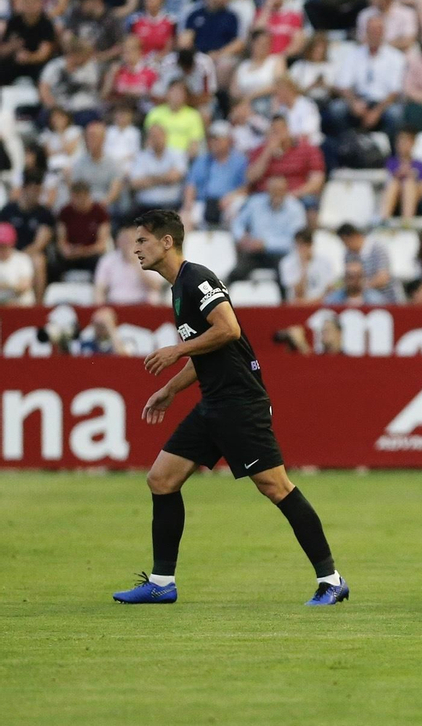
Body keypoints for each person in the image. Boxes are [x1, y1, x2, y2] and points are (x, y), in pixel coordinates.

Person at [112, 209, 347, 607]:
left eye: (142, 241)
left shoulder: (197, 277)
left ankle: (331, 579)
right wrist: (170, 389)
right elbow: (209, 351)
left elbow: (229, 329)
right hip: (214, 403)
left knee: (276, 487)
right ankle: (162, 582)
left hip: (240, 404)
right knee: (161, 479)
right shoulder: (177, 287)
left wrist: (175, 350)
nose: (136, 249)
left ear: (166, 242)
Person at [231, 174, 307, 280]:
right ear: (267, 190)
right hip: (255, 253)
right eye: (273, 190)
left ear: (286, 190)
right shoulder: (255, 202)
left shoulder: (295, 209)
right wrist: (241, 237)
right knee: (236, 274)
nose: (276, 193)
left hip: (281, 254)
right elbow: (238, 222)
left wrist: (266, 244)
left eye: (280, 190)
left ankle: (285, 296)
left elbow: (295, 240)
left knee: (285, 276)